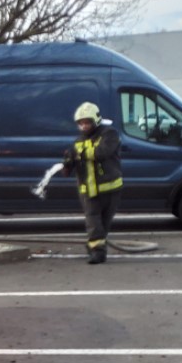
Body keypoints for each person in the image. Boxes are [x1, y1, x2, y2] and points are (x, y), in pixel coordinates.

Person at [62, 102, 123, 265]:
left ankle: (94, 245)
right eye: (81, 123)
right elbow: (71, 167)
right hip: (88, 191)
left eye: (87, 122)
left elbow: (102, 152)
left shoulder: (109, 134)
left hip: (110, 188)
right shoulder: (78, 142)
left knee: (104, 222)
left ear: (95, 120)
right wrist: (67, 163)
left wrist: (78, 154)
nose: (84, 126)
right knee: (93, 221)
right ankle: (98, 252)